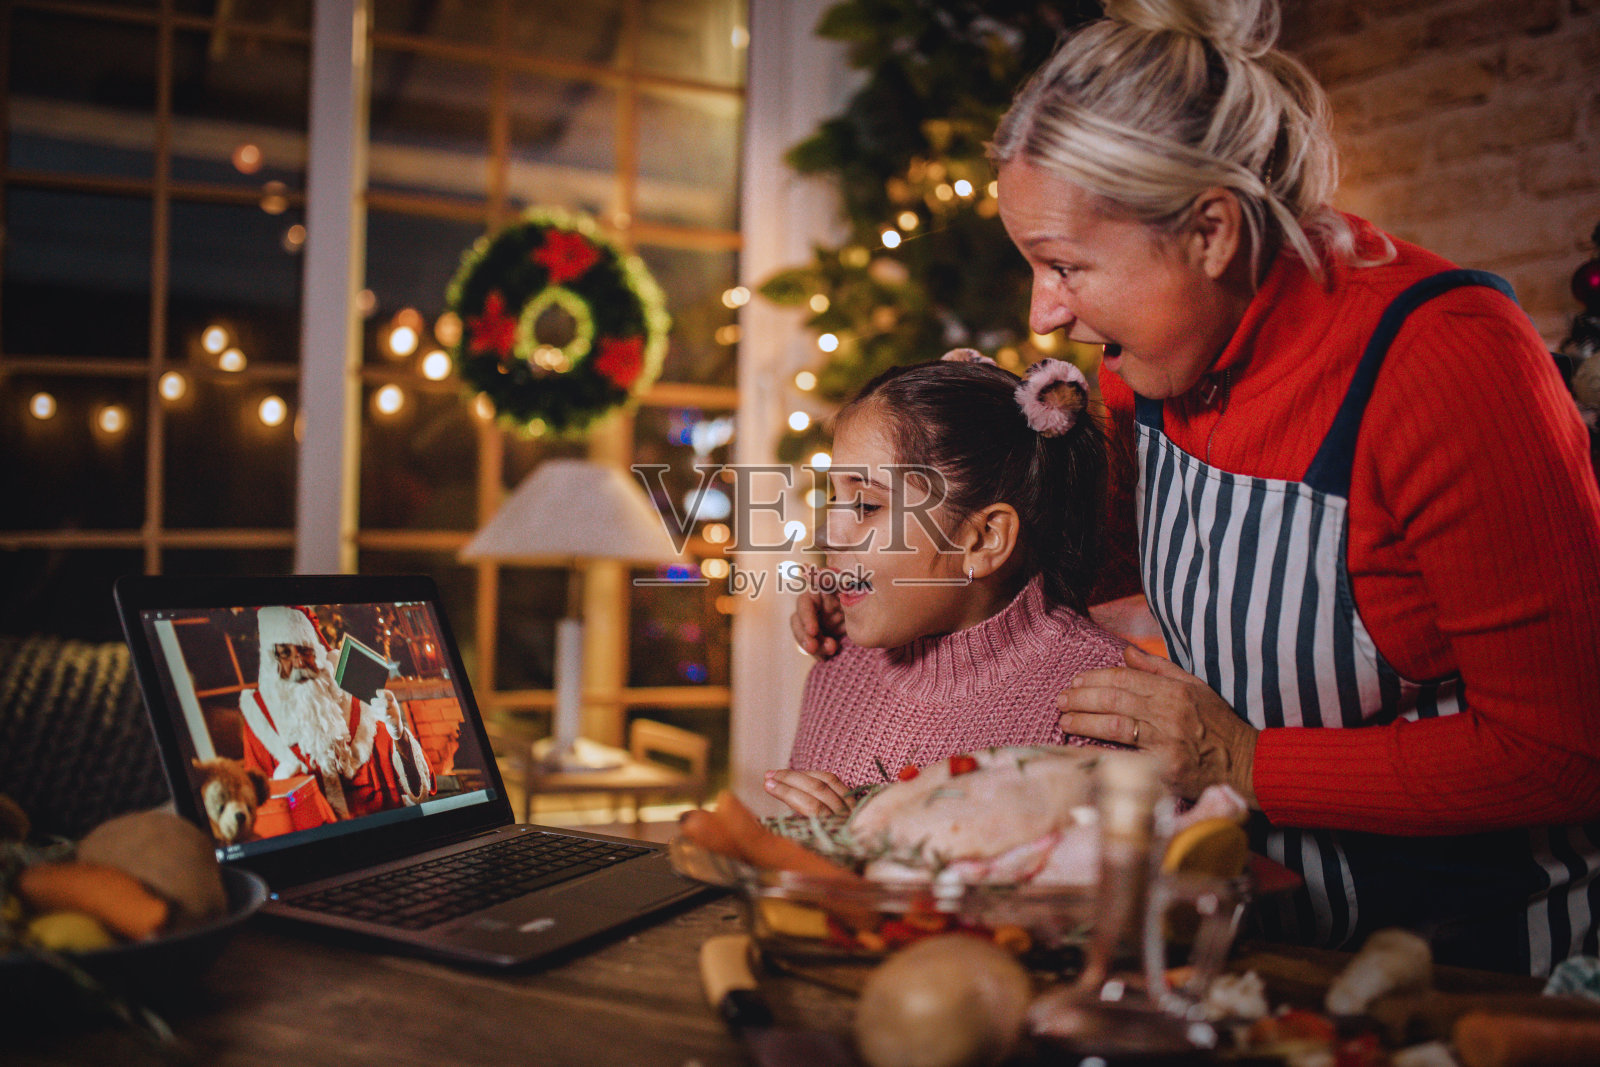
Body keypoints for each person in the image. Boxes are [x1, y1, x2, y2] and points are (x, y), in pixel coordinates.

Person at [793, 0, 1600, 975]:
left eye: (1065, 265)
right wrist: (874, 569)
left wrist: (1248, 761)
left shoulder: (1447, 364)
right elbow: (1066, 569)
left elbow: (1568, 748)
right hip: (1241, 949)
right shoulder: (1152, 364)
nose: (1044, 312)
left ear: (1210, 232)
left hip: (1465, 970)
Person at [766, 351, 1129, 817]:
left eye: (868, 506)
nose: (829, 532)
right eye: (834, 498)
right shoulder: (835, 676)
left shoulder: (1102, 707)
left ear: (983, 539)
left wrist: (863, 855)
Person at [239, 605, 434, 820]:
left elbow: (420, 789)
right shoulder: (260, 728)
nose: (299, 662)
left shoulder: (357, 704)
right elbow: (258, 811)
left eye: (305, 650)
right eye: (285, 653)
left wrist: (398, 733)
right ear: (272, 663)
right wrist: (282, 787)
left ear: (320, 656)